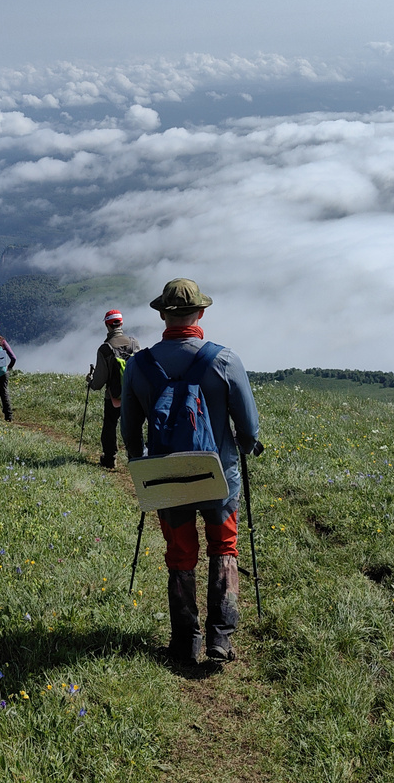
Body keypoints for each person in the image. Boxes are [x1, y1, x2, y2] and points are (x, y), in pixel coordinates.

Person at [121, 278, 260, 664]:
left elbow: (130, 429)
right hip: (219, 476)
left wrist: (140, 463)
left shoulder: (139, 365)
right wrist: (245, 446)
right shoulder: (224, 360)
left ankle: (185, 641)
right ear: (200, 312)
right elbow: (248, 427)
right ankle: (220, 637)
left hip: (168, 478)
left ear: (164, 314)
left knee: (180, 554)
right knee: (224, 547)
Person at [85, 309, 140, 469]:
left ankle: (110, 459)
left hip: (113, 396)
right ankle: (135, 459)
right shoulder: (134, 343)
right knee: (133, 425)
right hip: (133, 394)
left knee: (110, 424)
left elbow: (99, 382)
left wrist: (91, 382)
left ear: (107, 325)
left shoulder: (105, 349)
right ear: (121, 323)